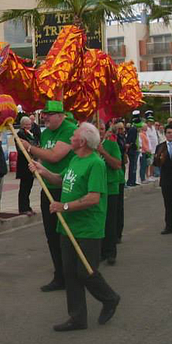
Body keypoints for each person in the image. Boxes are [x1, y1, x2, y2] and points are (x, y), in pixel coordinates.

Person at [29, 122, 121, 331]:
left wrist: (65, 206)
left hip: (88, 227)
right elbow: (61, 181)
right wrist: (42, 170)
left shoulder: (95, 163)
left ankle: (110, 298)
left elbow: (93, 198)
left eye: (74, 136)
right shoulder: (75, 160)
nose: (71, 138)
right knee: (70, 273)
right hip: (68, 226)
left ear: (83, 141)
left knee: (86, 271)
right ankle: (77, 317)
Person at [20, 100, 76, 292]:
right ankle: (59, 275)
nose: (45, 117)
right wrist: (37, 165)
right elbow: (44, 157)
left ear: (61, 115)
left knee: (66, 234)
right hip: (48, 187)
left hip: (66, 189)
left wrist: (29, 147)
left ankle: (72, 275)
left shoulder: (69, 129)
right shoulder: (46, 132)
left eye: (49, 114)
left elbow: (54, 156)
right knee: (51, 235)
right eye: (44, 114)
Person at [99, 121, 123, 265]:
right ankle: (100, 250)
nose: (100, 131)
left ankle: (110, 252)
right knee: (99, 221)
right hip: (96, 187)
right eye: (97, 128)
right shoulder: (88, 146)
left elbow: (117, 164)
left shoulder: (111, 145)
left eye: (102, 129)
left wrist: (103, 152)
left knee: (110, 221)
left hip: (110, 187)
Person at [15, 116, 39, 216]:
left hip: (31, 162)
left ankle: (27, 206)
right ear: (22, 125)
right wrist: (32, 148)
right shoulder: (20, 134)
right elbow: (21, 149)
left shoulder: (31, 134)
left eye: (30, 125)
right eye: (27, 125)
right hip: (24, 164)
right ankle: (23, 208)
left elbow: (35, 143)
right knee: (24, 187)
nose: (29, 127)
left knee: (29, 187)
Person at [115, 120, 127, 242]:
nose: (122, 131)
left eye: (122, 129)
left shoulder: (119, 139)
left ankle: (118, 233)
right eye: (120, 129)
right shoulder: (117, 139)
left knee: (119, 207)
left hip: (119, 175)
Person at [125, 111, 141, 186]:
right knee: (133, 166)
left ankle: (132, 180)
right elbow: (131, 140)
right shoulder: (133, 129)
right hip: (133, 150)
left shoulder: (132, 128)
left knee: (133, 165)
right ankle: (131, 181)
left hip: (134, 149)